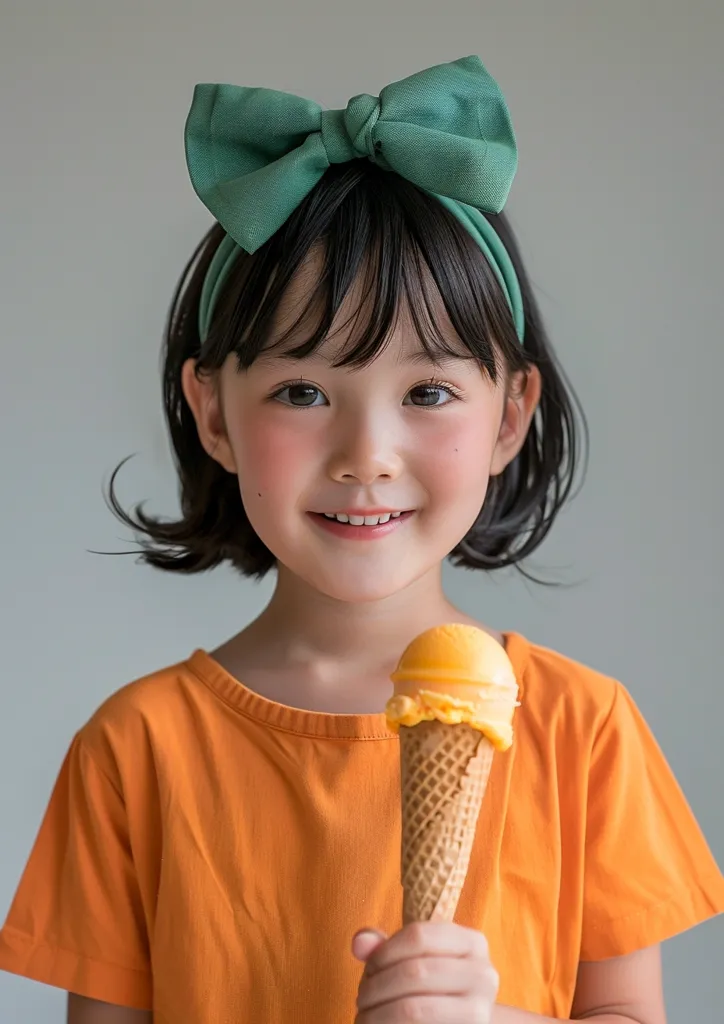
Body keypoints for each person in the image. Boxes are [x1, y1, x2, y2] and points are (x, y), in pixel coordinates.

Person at [0, 56, 722, 1024]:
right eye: (301, 393)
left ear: (510, 415)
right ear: (212, 414)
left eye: (427, 393)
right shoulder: (138, 746)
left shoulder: (581, 727)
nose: (366, 455)